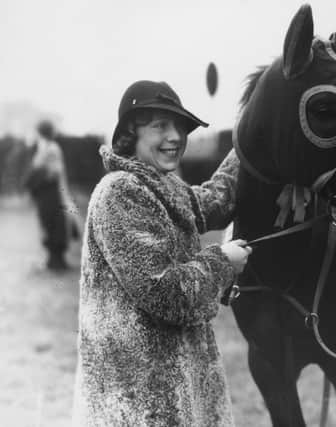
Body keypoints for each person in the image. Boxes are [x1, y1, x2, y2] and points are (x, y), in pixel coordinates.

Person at [72, 80, 250, 426]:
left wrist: (247, 139)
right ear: (130, 134)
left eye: (180, 127)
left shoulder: (161, 185)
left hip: (169, 393)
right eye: (160, 126)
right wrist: (222, 261)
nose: (175, 137)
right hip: (135, 401)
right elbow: (165, 292)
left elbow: (214, 199)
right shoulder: (119, 193)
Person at [24, 120, 77, 270]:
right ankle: (53, 260)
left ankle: (57, 261)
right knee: (49, 224)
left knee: (54, 224)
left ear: (40, 133)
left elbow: (53, 172)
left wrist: (34, 179)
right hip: (47, 193)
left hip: (53, 193)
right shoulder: (45, 147)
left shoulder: (51, 148)